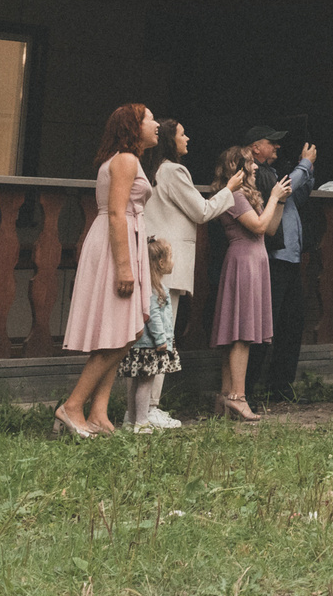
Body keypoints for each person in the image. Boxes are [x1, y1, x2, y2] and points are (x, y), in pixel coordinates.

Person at [56, 104, 157, 437]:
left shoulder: (122, 159)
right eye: (149, 119)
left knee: (125, 332)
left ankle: (98, 412)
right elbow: (116, 213)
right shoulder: (126, 160)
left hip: (122, 240)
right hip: (118, 245)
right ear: (133, 126)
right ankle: (72, 407)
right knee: (118, 335)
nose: (156, 124)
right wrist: (125, 268)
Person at [133, 117, 240, 430]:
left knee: (145, 340)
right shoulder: (174, 171)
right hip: (167, 262)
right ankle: (149, 408)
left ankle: (137, 411)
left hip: (149, 256)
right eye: (182, 134)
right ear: (170, 140)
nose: (188, 138)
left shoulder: (150, 169)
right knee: (161, 338)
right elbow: (202, 211)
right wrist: (230, 189)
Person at [213, 141, 287, 419]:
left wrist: (279, 201)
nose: (256, 166)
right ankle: (238, 397)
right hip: (243, 262)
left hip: (253, 261)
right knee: (241, 334)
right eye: (250, 162)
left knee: (238, 333)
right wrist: (272, 197)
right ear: (238, 167)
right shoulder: (233, 196)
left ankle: (225, 397)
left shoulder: (243, 196)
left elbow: (269, 229)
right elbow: (257, 226)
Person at [244, 128, 318, 405]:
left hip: (290, 260)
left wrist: (308, 172)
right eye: (270, 142)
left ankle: (281, 387)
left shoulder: (275, 173)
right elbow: (284, 190)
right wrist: (305, 164)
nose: (277, 147)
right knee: (263, 328)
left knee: (292, 324)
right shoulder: (256, 173)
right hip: (272, 261)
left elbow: (295, 197)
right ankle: (248, 390)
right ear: (254, 147)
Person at [123, 237, 183, 431]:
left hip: (139, 345)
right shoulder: (155, 290)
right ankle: (141, 422)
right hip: (150, 345)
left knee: (135, 383)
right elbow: (152, 317)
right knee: (145, 383)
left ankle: (131, 419)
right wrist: (161, 340)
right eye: (171, 257)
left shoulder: (148, 287)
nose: (173, 262)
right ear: (161, 263)